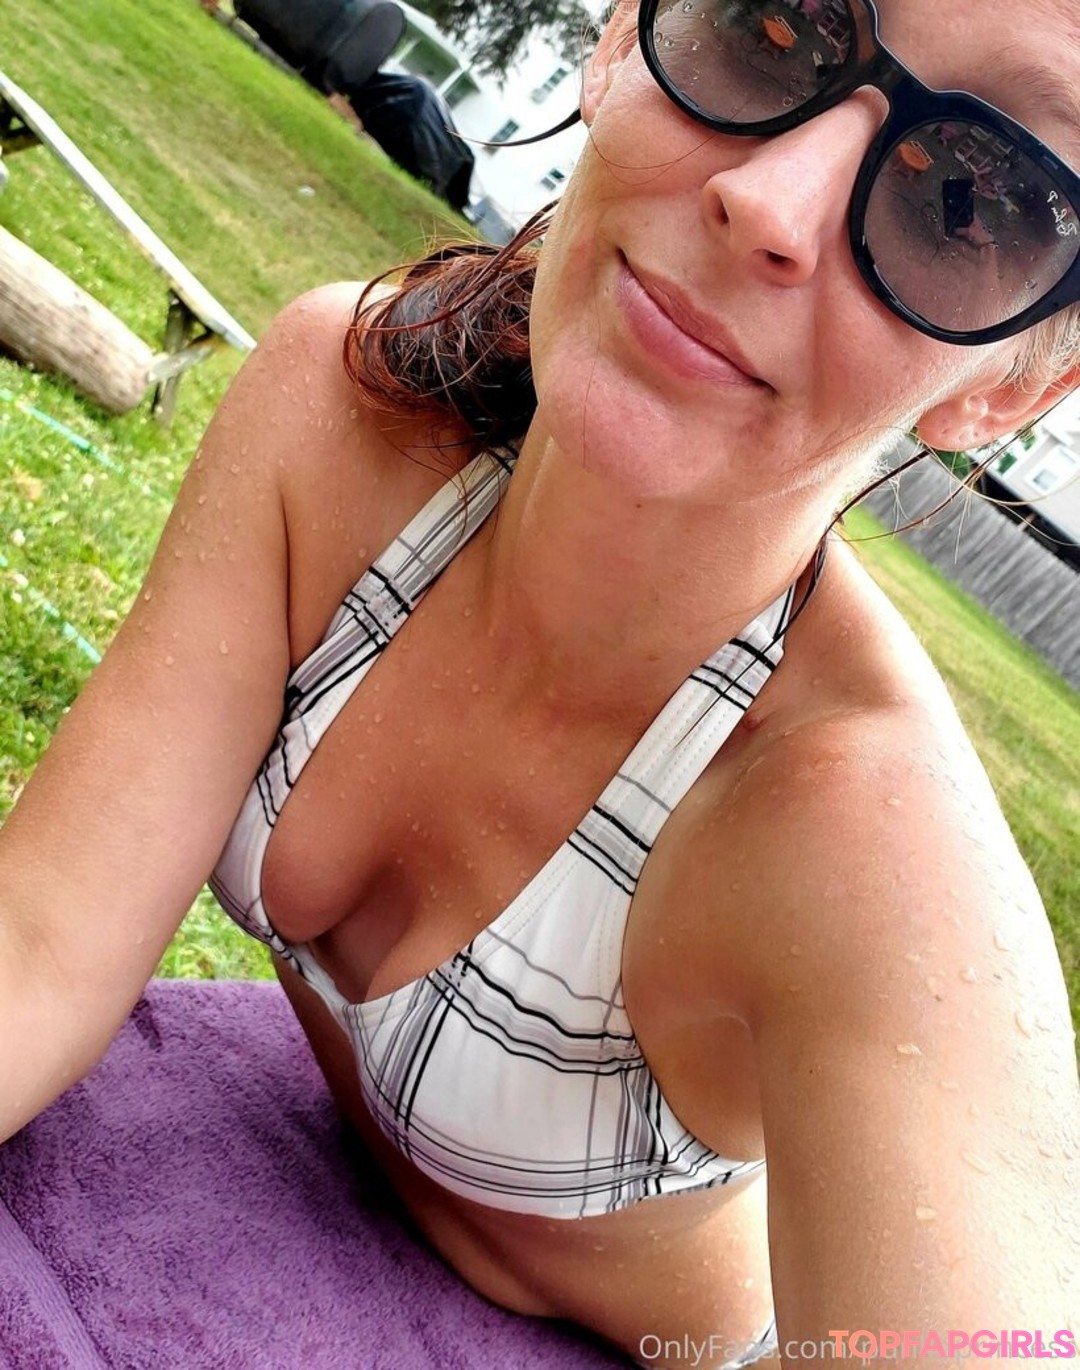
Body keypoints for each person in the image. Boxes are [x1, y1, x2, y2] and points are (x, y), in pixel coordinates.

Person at [2, 0, 1079, 1365]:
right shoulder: (339, 411)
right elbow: (40, 943)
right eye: (772, 25)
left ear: (1005, 391)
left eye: (976, 195)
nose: (769, 203)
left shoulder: (871, 853)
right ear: (622, 36)